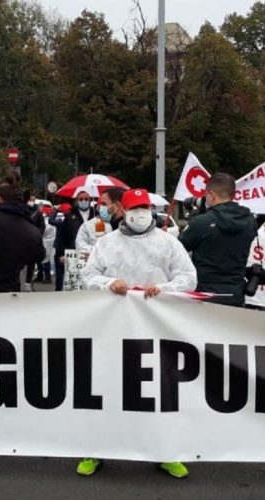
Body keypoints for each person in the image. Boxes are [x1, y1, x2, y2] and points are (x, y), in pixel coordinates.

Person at [80, 188, 197, 479]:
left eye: (145, 207)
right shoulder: (107, 243)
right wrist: (108, 283)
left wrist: (164, 288)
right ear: (123, 210)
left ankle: (164, 452)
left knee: (156, 389)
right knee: (107, 386)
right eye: (134, 208)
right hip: (112, 327)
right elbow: (88, 275)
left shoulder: (168, 242)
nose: (140, 213)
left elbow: (189, 277)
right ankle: (95, 449)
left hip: (154, 328)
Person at [179, 173, 254, 307]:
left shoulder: (202, 222)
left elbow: (178, 249)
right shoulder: (249, 221)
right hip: (235, 295)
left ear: (212, 195)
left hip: (204, 295)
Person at [53, 188, 96, 288]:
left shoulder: (95, 214)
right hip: (74, 254)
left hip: (93, 255)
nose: (84, 201)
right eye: (81, 199)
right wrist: (61, 254)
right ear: (77, 200)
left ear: (90, 200)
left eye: (86, 199)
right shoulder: (70, 215)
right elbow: (62, 236)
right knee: (75, 286)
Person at [76, 187, 127, 253]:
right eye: (100, 204)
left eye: (104, 204)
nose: (100, 208)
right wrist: (102, 251)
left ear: (117, 206)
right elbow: (80, 247)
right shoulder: (89, 225)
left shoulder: (131, 228)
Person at [48, 202, 74, 291]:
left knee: (59, 272)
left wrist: (56, 210)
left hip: (60, 250)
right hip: (71, 249)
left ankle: (58, 290)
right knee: (70, 271)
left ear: (63, 212)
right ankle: (70, 290)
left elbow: (50, 220)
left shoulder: (60, 223)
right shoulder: (74, 223)